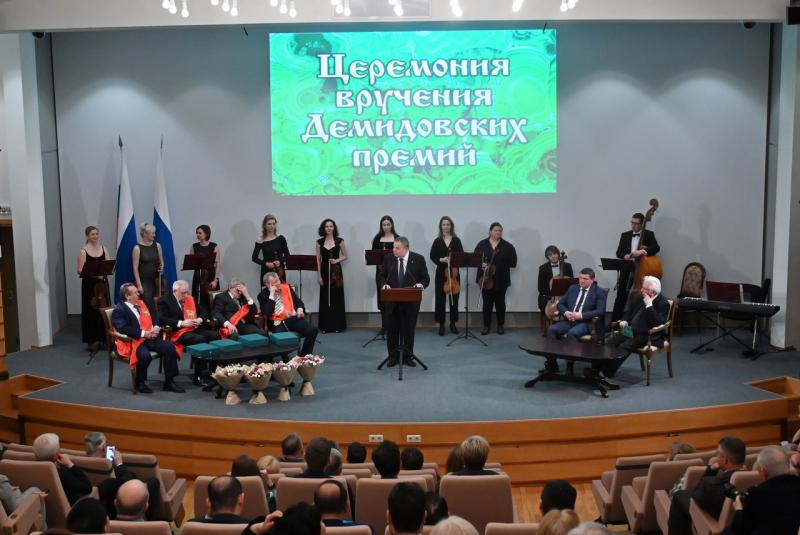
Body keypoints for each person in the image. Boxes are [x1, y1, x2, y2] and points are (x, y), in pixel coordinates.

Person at [596, 275, 669, 385]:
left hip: (647, 335)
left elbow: (657, 323)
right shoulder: (641, 297)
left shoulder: (663, 303)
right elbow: (629, 312)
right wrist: (625, 320)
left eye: (644, 288)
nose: (641, 290)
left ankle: (605, 373)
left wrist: (649, 305)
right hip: (631, 331)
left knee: (623, 347)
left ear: (652, 292)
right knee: (610, 343)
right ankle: (597, 368)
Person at [111, 282, 183, 393]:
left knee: (169, 347)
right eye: (135, 292)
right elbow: (124, 328)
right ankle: (140, 382)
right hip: (134, 340)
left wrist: (156, 327)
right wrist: (144, 333)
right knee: (145, 356)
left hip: (150, 337)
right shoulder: (119, 310)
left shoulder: (142, 303)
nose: (138, 293)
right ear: (127, 296)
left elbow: (154, 315)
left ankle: (169, 381)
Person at [668, 436, 747, 535]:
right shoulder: (753, 478)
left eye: (718, 454)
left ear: (725, 459)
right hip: (738, 525)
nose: (717, 457)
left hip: (711, 522)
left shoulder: (712, 483)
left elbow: (696, 496)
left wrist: (710, 471)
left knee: (678, 495)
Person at [379, 236, 430, 367]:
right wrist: (384, 284)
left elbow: (425, 278)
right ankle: (393, 357)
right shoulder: (388, 258)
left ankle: (408, 357)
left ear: (406, 248)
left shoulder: (418, 259)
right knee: (392, 331)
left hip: (410, 302)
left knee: (408, 331)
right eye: (393, 247)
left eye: (397, 248)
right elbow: (381, 276)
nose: (394, 250)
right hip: (392, 302)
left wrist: (421, 285)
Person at [726, 445, 800, 535]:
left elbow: (740, 530)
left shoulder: (757, 495)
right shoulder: (797, 485)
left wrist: (739, 510)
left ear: (764, 472)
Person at [546, 268, 607, 373]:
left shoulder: (599, 291)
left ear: (592, 280)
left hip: (586, 322)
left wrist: (581, 315)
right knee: (551, 329)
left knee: (572, 333)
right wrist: (566, 313)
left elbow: (600, 311)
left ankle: (570, 365)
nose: (582, 281)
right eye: (580, 278)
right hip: (569, 320)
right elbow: (561, 303)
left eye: (585, 279)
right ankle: (552, 364)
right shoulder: (573, 288)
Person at [612, 212, 660, 321]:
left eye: (636, 223)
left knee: (642, 296)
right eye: (632, 223)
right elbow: (618, 252)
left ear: (642, 224)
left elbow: (656, 247)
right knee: (621, 295)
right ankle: (614, 321)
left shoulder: (649, 234)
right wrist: (624, 256)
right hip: (627, 268)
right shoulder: (625, 235)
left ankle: (638, 321)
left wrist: (642, 251)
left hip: (642, 269)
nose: (633, 225)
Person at [258, 272, 318, 356]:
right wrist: (272, 295)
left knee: (313, 330)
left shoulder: (286, 287)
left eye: (278, 280)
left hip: (292, 318)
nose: (278, 283)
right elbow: (267, 312)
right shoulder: (262, 295)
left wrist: (300, 308)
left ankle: (304, 356)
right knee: (284, 342)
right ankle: (282, 359)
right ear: (268, 284)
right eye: (275, 282)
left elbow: (298, 301)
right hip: (277, 321)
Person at [474, 222, 517, 335]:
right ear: (490, 231)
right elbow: (475, 259)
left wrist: (500, 265)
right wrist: (482, 265)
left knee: (500, 303)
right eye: (496, 230)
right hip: (485, 278)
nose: (498, 232)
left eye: (500, 231)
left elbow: (513, 262)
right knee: (487, 304)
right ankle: (486, 326)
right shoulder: (482, 244)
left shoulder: (507, 246)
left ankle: (500, 326)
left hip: (501, 279)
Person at [158, 279, 220, 357]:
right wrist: (181, 323)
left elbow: (204, 312)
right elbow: (162, 318)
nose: (186, 295)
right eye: (183, 293)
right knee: (199, 339)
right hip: (179, 332)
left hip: (194, 328)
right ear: (175, 291)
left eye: (187, 292)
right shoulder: (164, 300)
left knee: (214, 335)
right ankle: (200, 364)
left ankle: (214, 363)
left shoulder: (190, 298)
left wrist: (199, 319)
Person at [97, 446, 161, 521]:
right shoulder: (162, 527)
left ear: (115, 503)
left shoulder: (101, 526)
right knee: (153, 482)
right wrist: (119, 465)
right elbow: (129, 479)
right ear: (146, 507)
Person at [32, 433, 91, 505]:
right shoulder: (62, 473)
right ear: (56, 456)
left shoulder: (28, 469)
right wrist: (70, 464)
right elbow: (87, 487)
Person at [77, 225, 111, 352]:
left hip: (102, 284)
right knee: (90, 312)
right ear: (87, 236)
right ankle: (92, 340)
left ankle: (105, 338)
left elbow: (108, 264)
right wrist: (95, 274)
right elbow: (80, 269)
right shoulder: (83, 251)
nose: (95, 236)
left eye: (97, 233)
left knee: (104, 310)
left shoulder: (103, 248)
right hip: (90, 285)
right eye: (92, 234)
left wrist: (105, 271)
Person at [429, 216, 463, 336]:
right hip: (441, 273)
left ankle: (453, 323)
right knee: (440, 299)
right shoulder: (437, 241)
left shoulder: (457, 241)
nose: (446, 227)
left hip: (454, 273)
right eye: (443, 224)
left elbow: (461, 256)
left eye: (448, 224)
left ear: (451, 226)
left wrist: (453, 259)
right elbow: (432, 256)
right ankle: (441, 324)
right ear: (441, 226)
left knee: (454, 299)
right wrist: (441, 259)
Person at [316, 218, 348, 333]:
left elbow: (345, 256)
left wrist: (336, 260)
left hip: (336, 272)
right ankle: (325, 326)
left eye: (331, 226)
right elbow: (318, 260)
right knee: (325, 297)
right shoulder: (319, 242)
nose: (329, 228)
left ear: (334, 228)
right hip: (324, 271)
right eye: (326, 226)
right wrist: (319, 275)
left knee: (336, 297)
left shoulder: (340, 241)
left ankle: (337, 326)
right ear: (323, 228)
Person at [132, 222, 164, 319]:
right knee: (148, 305)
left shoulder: (157, 245)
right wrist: (139, 285)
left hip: (157, 280)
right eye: (152, 233)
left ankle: (160, 324)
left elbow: (161, 261)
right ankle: (151, 325)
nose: (154, 235)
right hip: (144, 282)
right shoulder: (137, 248)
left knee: (160, 304)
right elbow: (135, 268)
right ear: (145, 233)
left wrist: (162, 266)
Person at [371, 215, 397, 335]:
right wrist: (378, 263)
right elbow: (373, 256)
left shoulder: (397, 238)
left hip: (394, 273)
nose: (386, 227)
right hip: (381, 273)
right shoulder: (377, 238)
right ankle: (384, 327)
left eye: (388, 224)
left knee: (393, 300)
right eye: (384, 225)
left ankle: (393, 327)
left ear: (392, 225)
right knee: (382, 300)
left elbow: (402, 254)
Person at [189, 224, 220, 311]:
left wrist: (215, 280)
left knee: (211, 300)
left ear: (206, 234)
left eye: (200, 233)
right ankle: (199, 316)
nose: (197, 235)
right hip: (198, 276)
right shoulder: (194, 246)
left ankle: (212, 318)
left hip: (210, 276)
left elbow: (217, 264)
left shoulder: (214, 246)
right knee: (197, 298)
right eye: (197, 233)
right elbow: (191, 262)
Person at [252, 214, 290, 284]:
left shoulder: (281, 238)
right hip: (266, 270)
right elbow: (254, 258)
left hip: (279, 270)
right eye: (269, 224)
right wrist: (266, 263)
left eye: (273, 224)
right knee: (267, 289)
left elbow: (287, 255)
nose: (272, 226)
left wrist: (280, 262)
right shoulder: (260, 239)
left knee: (280, 288)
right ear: (264, 225)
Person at [538, 245, 574, 316]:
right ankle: (549, 318)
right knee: (543, 302)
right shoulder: (543, 268)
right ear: (547, 257)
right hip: (550, 296)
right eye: (550, 255)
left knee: (573, 302)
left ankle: (569, 318)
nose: (553, 256)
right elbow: (540, 287)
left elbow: (572, 283)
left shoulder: (567, 266)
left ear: (558, 254)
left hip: (565, 295)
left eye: (555, 254)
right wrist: (553, 295)